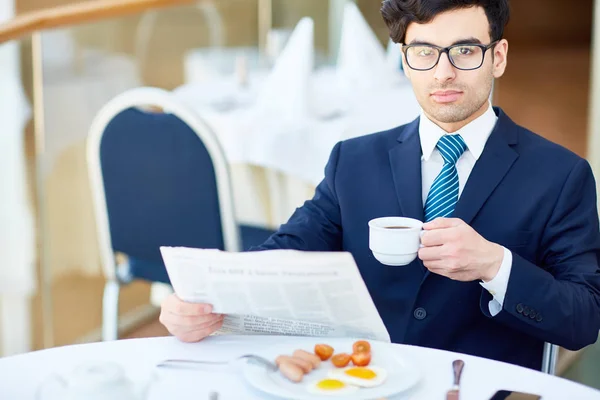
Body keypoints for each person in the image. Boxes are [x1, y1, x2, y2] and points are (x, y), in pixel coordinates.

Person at [159, 0, 600, 370]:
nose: (443, 72)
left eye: (464, 51)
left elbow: (584, 318)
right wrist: (206, 300)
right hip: (361, 381)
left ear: (498, 56)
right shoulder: (352, 161)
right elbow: (289, 249)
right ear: (404, 59)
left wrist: (495, 265)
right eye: (424, 51)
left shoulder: (561, 176)